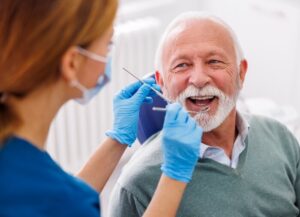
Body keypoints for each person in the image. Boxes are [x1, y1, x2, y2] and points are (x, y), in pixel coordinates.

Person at [0, 1, 203, 217]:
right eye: (108, 45)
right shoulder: (61, 198)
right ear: (72, 63)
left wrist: (118, 139)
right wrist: (175, 175)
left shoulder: (25, 171)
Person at [108, 11, 300, 217]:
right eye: (182, 65)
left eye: (214, 61)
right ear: (161, 83)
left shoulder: (281, 138)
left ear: (241, 73)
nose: (199, 79)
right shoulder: (136, 186)